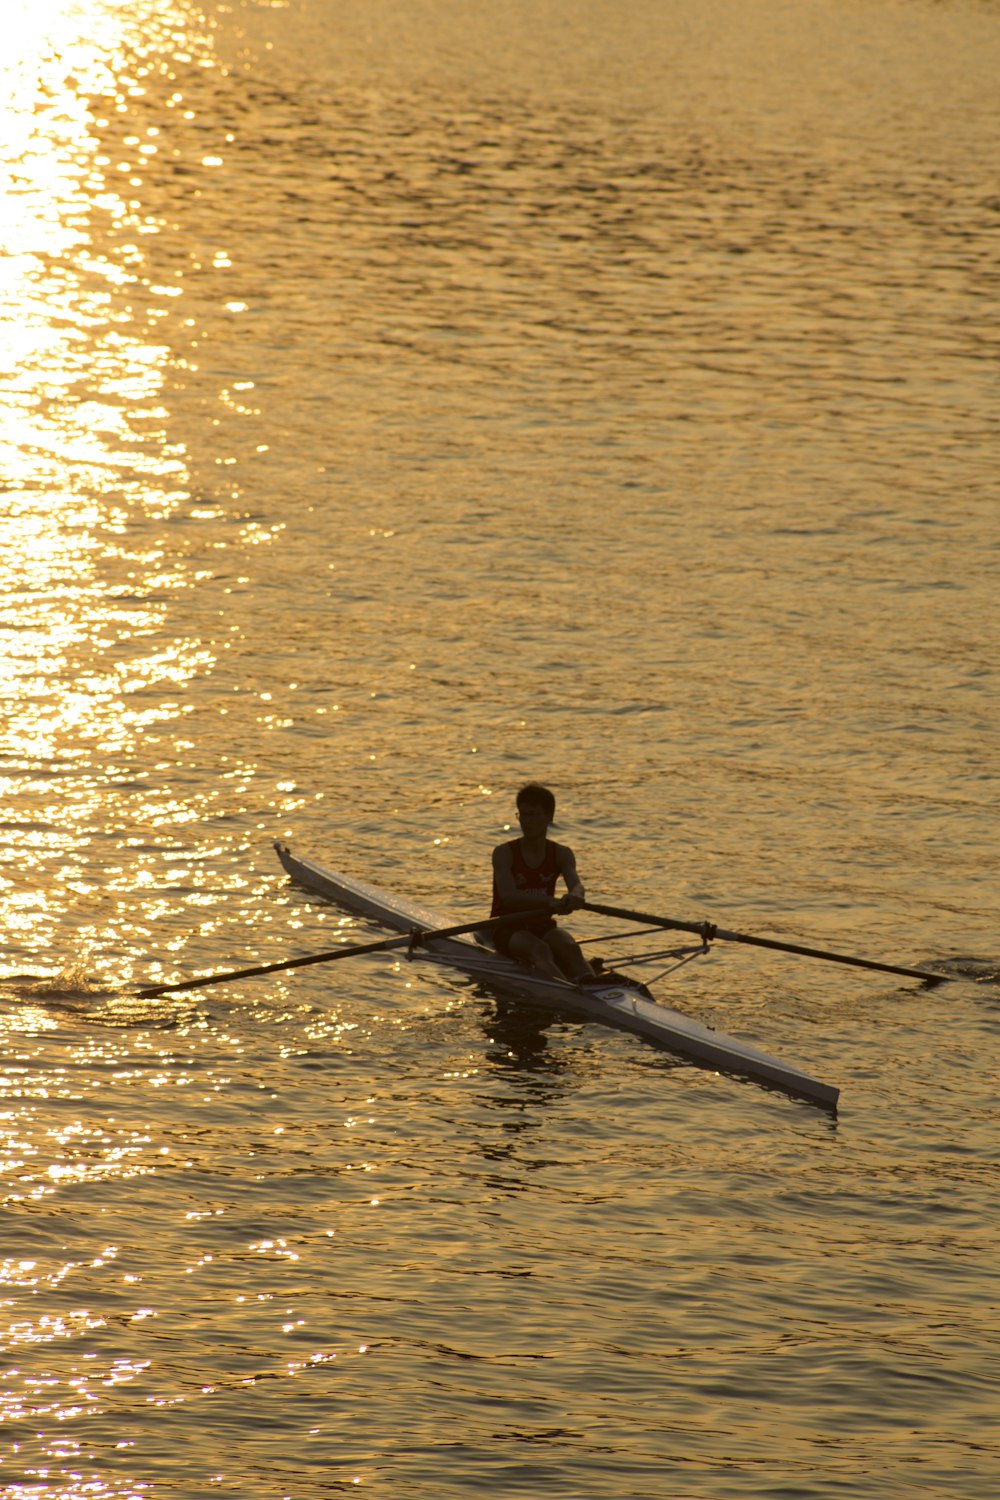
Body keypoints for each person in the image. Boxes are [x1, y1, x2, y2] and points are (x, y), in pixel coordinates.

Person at [490, 783, 598, 984]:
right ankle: (567, 994)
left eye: (534, 815)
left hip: (542, 924)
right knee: (539, 949)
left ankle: (593, 986)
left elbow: (576, 885)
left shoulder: (561, 853)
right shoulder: (504, 853)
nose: (527, 822)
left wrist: (576, 896)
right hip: (506, 926)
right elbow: (509, 897)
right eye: (523, 815)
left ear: (549, 817)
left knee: (570, 947)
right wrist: (548, 901)